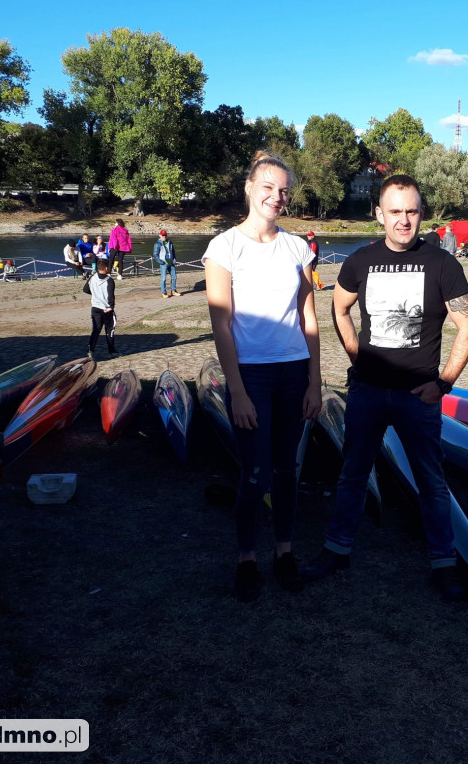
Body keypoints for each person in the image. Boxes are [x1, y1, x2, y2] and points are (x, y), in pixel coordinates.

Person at [300, 175, 468, 602]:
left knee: (431, 481)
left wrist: (444, 383)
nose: (404, 220)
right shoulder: (360, 261)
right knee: (352, 475)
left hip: (418, 396)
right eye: (395, 211)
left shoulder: (443, 264)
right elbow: (339, 309)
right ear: (380, 214)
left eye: (411, 211)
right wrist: (356, 356)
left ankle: (443, 563)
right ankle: (337, 549)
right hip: (367, 391)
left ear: (421, 214)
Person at [203, 151, 322, 603]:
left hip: (294, 372)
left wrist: (315, 382)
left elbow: (309, 318)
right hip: (250, 376)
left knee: (287, 470)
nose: (277, 197)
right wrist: (236, 391)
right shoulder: (224, 247)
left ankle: (285, 552)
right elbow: (221, 324)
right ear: (249, 187)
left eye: (284, 191)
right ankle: (247, 559)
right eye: (269, 187)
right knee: (255, 475)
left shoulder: (298, 248)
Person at [83, 258, 119, 359]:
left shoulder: (92, 278)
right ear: (106, 268)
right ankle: (112, 352)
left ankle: (90, 351)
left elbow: (85, 289)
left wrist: (95, 294)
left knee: (96, 330)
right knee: (110, 330)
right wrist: (111, 307)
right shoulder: (109, 280)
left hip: (95, 308)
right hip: (106, 309)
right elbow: (110, 295)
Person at [153, 230, 180, 297]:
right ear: (160, 235)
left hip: (171, 262)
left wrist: (174, 259)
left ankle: (173, 290)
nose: (164, 237)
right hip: (163, 263)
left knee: (174, 276)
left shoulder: (170, 242)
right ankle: (164, 292)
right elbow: (155, 255)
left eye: (165, 235)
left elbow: (173, 251)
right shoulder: (157, 244)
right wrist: (161, 262)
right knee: (163, 278)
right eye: (163, 235)